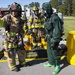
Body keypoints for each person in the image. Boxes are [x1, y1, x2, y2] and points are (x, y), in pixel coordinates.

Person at [1, 2, 27, 72]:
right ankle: (13, 67)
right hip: (9, 40)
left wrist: (22, 36)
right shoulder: (7, 18)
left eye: (15, 11)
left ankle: (23, 63)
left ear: (18, 11)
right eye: (12, 11)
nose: (13, 12)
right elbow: (1, 22)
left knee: (21, 52)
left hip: (18, 39)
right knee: (10, 54)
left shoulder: (21, 20)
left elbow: (23, 29)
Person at [42, 2, 64, 74]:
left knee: (54, 52)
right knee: (49, 51)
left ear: (48, 10)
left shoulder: (54, 18)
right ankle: (51, 63)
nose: (43, 12)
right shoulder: (48, 17)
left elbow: (57, 30)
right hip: (48, 37)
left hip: (53, 38)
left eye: (44, 10)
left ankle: (58, 65)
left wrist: (55, 40)